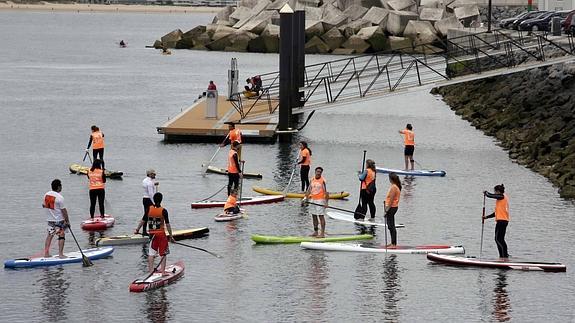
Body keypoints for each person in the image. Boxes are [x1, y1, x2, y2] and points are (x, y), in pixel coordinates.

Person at [134, 193, 174, 275]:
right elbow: (168, 224)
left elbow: (143, 220)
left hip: (152, 235)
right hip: (161, 235)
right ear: (161, 200)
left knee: (151, 254)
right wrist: (171, 236)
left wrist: (137, 229)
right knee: (163, 253)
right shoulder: (164, 211)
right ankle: (163, 272)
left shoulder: (149, 209)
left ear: (154, 199)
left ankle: (151, 271)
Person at [43, 179, 70, 258]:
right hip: (59, 220)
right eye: (61, 186)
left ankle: (46, 254)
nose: (61, 187)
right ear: (58, 187)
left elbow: (44, 205)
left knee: (49, 235)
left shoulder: (46, 195)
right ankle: (60, 254)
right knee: (61, 236)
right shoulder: (60, 197)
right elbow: (64, 211)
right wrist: (67, 221)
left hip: (50, 220)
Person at [483, 184, 510, 260]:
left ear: (498, 191)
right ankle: (503, 256)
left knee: (498, 239)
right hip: (502, 221)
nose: (494, 193)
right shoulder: (500, 200)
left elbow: (491, 195)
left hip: (502, 221)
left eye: (495, 192)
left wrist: (486, 193)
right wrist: (486, 217)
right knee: (499, 239)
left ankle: (504, 257)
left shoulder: (502, 196)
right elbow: (496, 213)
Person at [304, 167, 329, 238]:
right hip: (312, 200)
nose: (318, 173)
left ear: (321, 173)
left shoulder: (323, 181)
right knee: (314, 216)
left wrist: (326, 203)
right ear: (315, 172)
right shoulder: (312, 179)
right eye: (317, 171)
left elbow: (326, 192)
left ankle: (322, 234)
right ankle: (315, 232)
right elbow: (309, 190)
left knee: (321, 216)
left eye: (320, 172)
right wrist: (305, 198)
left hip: (320, 200)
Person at [384, 173, 402, 247]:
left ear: (391, 179)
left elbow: (391, 200)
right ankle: (392, 243)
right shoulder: (395, 186)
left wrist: (387, 209)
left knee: (391, 226)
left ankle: (394, 244)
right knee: (390, 225)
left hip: (392, 207)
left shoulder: (394, 187)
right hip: (392, 207)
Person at [141, 169, 159, 236]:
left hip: (144, 199)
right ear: (149, 174)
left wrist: (154, 184)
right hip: (149, 200)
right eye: (153, 174)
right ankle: (151, 231)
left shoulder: (145, 180)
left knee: (146, 215)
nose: (155, 175)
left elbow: (148, 186)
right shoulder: (150, 182)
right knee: (150, 215)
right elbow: (151, 194)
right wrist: (155, 203)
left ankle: (144, 230)